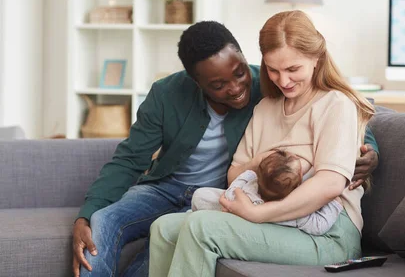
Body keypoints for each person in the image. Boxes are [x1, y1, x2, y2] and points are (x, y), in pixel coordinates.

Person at [71, 21, 380, 277]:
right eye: (273, 70)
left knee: (202, 226)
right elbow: (234, 172)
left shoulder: (332, 103)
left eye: (292, 69)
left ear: (317, 58)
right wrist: (259, 164)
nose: (282, 80)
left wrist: (370, 154)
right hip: (238, 207)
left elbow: (348, 147)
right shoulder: (266, 106)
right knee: (163, 227)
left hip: (324, 231)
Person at [191, 149, 344, 235]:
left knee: (201, 195)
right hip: (269, 225)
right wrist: (335, 202)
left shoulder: (247, 187)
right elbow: (318, 226)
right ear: (300, 180)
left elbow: (234, 188)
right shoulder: (299, 213)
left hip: (242, 215)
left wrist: (252, 174)